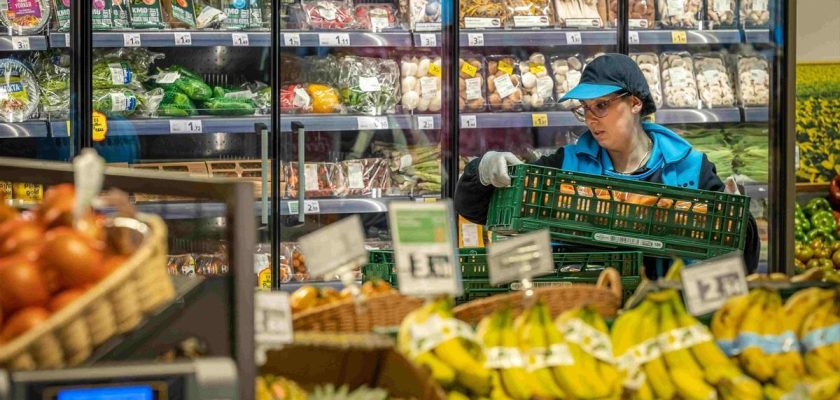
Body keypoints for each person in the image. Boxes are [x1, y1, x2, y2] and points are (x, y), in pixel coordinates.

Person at [454, 53, 760, 275]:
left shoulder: (690, 167)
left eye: (601, 106)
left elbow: (740, 259)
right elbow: (476, 210)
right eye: (585, 109)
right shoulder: (568, 165)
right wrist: (481, 173)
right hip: (589, 309)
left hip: (671, 311)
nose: (590, 119)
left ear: (635, 103)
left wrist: (738, 224)